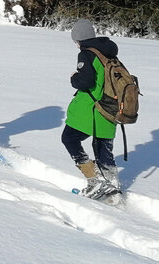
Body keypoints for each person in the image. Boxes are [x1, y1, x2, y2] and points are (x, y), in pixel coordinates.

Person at [61, 19, 120, 200]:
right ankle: (113, 189)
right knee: (104, 151)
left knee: (69, 138)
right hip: (110, 109)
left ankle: (95, 180)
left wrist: (74, 78)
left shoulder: (87, 54)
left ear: (78, 39)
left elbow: (86, 83)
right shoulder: (108, 52)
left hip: (92, 110)